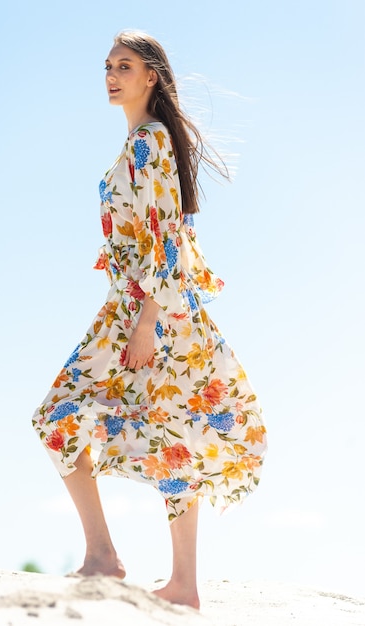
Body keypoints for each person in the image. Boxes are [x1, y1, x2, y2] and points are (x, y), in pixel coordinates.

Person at [32, 30, 267, 610]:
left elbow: (166, 231)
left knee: (67, 418)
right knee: (167, 432)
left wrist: (147, 319)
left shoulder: (150, 141)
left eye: (126, 65)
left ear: (151, 77)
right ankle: (148, 572)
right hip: (139, 304)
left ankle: (115, 561)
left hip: (150, 308)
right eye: (108, 65)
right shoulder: (139, 142)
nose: (112, 75)